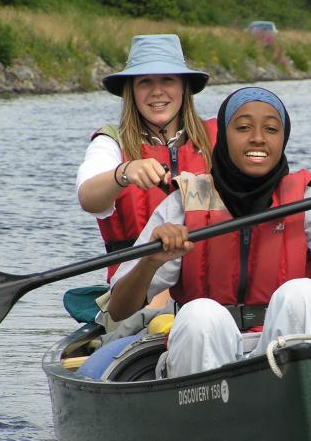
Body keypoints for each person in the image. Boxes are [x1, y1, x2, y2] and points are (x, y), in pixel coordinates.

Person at [107, 86, 311, 379]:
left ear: (284, 138)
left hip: (286, 358)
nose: (258, 138)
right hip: (206, 356)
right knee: (200, 313)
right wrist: (150, 261)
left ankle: (303, 400)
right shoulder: (183, 202)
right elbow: (119, 310)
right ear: (224, 137)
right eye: (242, 127)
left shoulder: (308, 203)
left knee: (303, 294)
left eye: (271, 128)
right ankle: (205, 415)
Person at [76, 34, 217, 323]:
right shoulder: (110, 143)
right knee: (160, 318)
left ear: (183, 87)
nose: (157, 92)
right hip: (135, 295)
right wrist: (123, 173)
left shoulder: (219, 138)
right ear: (131, 91)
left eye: (167, 80)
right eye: (145, 82)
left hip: (210, 287)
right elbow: (89, 198)